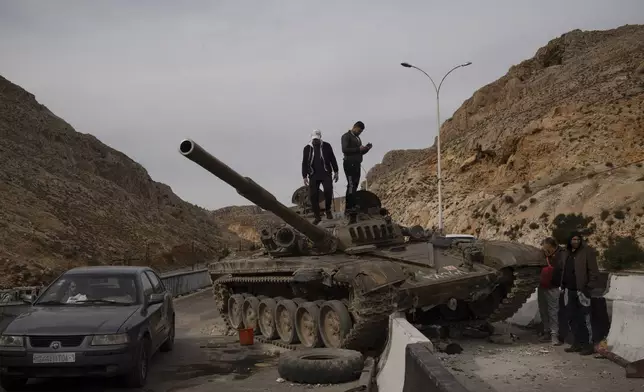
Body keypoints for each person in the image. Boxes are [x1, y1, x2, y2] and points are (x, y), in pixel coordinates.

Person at [560, 231, 600, 355]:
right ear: (569, 240)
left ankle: (589, 345)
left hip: (582, 291)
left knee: (585, 318)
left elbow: (594, 272)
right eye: (573, 239)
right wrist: (562, 285)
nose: (575, 242)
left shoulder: (587, 252)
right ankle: (577, 343)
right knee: (572, 318)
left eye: (578, 239)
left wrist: (588, 288)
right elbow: (563, 270)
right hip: (569, 290)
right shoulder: (566, 253)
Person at [301, 129, 339, 224]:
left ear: (320, 138)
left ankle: (328, 210)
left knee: (328, 191)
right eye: (314, 139)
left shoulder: (327, 146)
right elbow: (304, 163)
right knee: (313, 196)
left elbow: (332, 158)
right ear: (311, 139)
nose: (315, 141)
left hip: (326, 173)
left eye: (317, 139)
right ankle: (317, 216)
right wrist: (304, 176)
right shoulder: (307, 148)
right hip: (313, 175)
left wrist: (336, 171)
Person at [341, 121, 372, 222]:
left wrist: (366, 148)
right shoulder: (346, 136)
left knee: (355, 184)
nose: (359, 133)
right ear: (354, 127)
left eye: (361, 132)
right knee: (350, 184)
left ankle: (353, 205)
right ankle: (348, 207)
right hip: (349, 163)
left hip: (357, 164)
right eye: (359, 130)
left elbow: (359, 152)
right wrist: (358, 148)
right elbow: (345, 149)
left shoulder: (358, 138)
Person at [538, 237, 564, 345]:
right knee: (543, 310)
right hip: (542, 285)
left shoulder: (562, 254)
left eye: (547, 248)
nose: (545, 250)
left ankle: (554, 335)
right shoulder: (543, 254)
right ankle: (546, 332)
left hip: (554, 287)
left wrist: (563, 285)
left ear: (553, 247)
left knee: (553, 312)